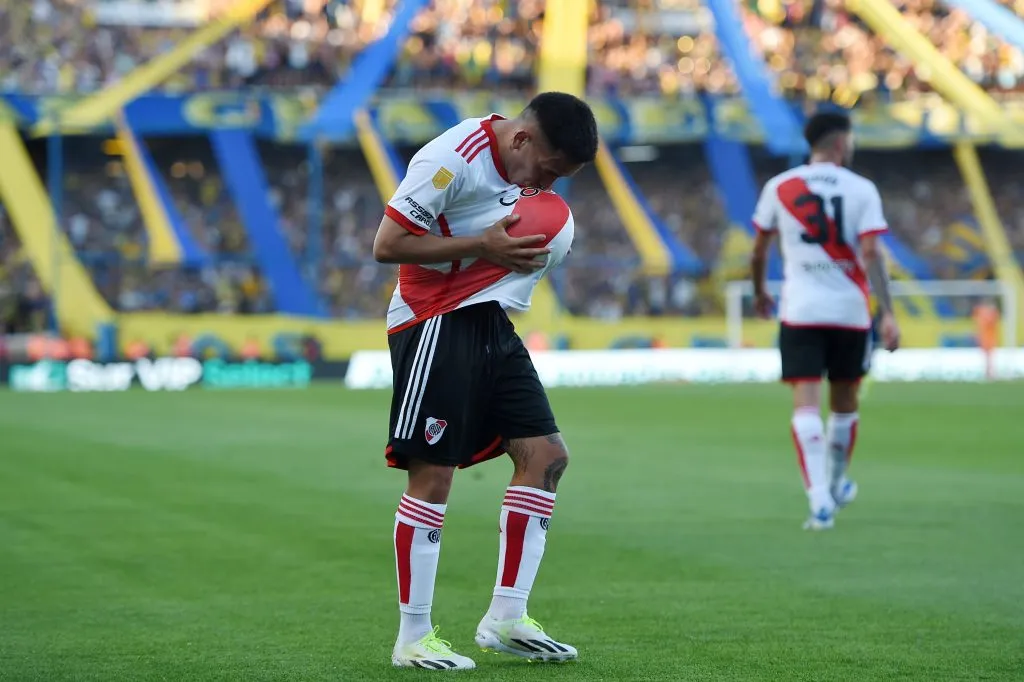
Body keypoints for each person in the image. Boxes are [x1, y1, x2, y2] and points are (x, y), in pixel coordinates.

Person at [371, 92, 599, 670]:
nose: (549, 185)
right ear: (523, 140)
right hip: (433, 319)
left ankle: (506, 617)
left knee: (546, 456)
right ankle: (413, 637)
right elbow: (387, 246)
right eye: (549, 171)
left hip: (489, 317)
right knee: (433, 474)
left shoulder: (530, 167)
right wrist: (484, 245)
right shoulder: (450, 158)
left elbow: (524, 216)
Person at [749, 111, 900, 531]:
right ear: (841, 142)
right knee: (845, 405)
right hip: (850, 312)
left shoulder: (780, 187)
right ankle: (834, 484)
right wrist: (887, 313)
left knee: (806, 405)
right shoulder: (862, 189)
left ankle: (819, 500)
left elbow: (759, 250)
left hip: (801, 310)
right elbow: (871, 254)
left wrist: (761, 291)